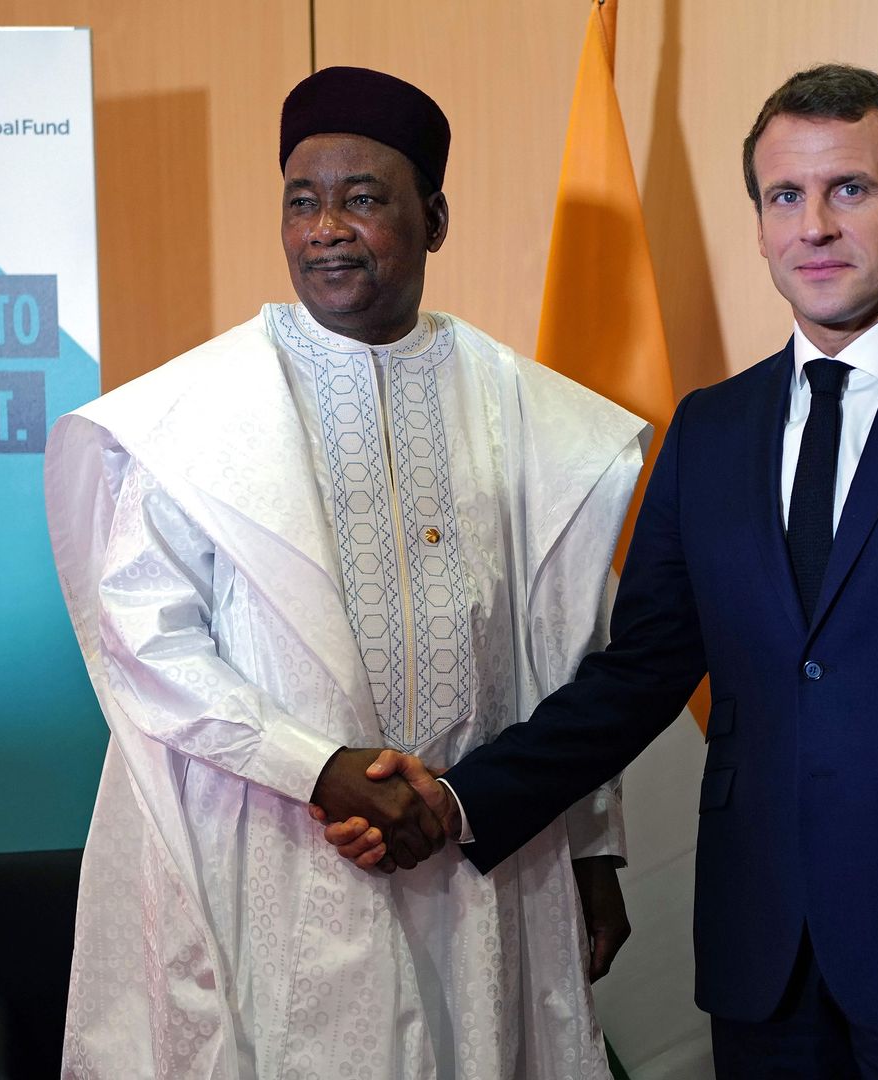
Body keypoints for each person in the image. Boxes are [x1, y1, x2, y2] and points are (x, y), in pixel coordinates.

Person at [324, 64, 878, 1080]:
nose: (815, 227)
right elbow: (640, 675)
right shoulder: (711, 428)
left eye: (850, 189)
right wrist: (457, 798)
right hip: (763, 961)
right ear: (758, 225)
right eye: (785, 197)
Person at [44, 66, 646, 1079]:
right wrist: (314, 767)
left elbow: (569, 654)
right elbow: (145, 641)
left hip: (475, 855)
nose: (326, 228)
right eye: (301, 202)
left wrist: (590, 852)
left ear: (434, 219)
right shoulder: (198, 414)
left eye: (362, 198)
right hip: (275, 848)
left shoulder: (527, 413)